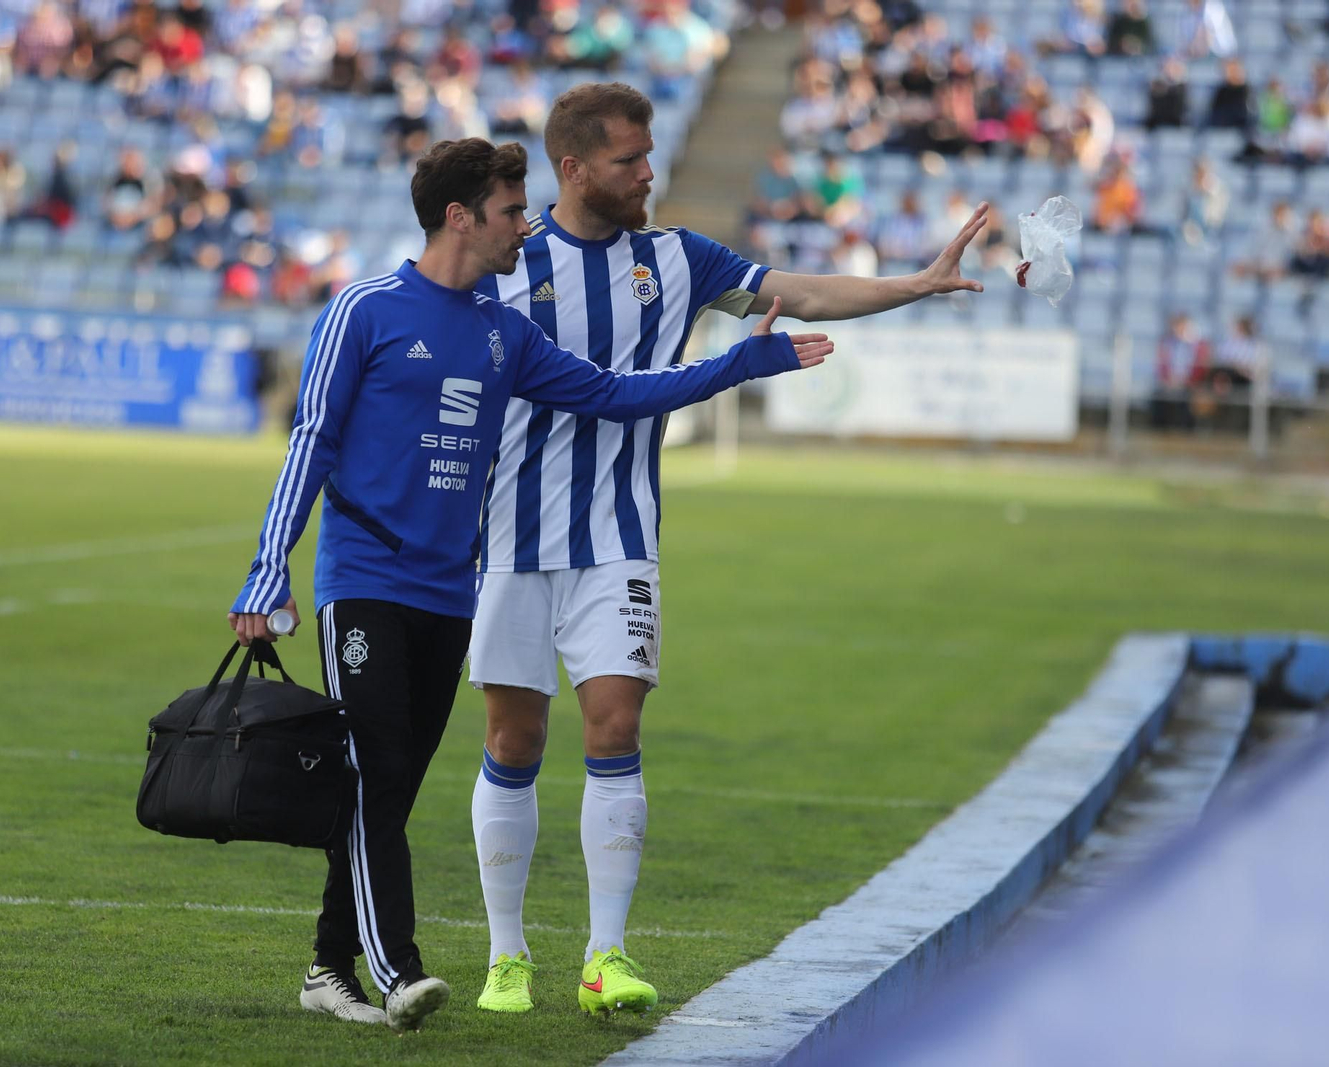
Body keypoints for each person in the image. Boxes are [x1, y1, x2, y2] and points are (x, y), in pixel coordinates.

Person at [225, 136, 830, 1033]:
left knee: (387, 784)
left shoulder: (508, 333)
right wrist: (267, 568)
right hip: (361, 579)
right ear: (462, 216)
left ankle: (326, 963)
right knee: (372, 769)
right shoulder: (364, 309)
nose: (526, 223)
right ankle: (397, 971)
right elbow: (310, 437)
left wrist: (738, 366)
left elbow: (616, 394)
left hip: (449, 589)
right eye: (512, 210)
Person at [464, 81, 987, 1018]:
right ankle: (507, 956)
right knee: (515, 738)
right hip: (510, 538)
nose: (649, 171)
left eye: (650, 152)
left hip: (619, 534)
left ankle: (605, 955)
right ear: (575, 169)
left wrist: (916, 282)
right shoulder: (506, 260)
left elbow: (800, 289)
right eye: (629, 159)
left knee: (615, 728)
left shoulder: (677, 258)